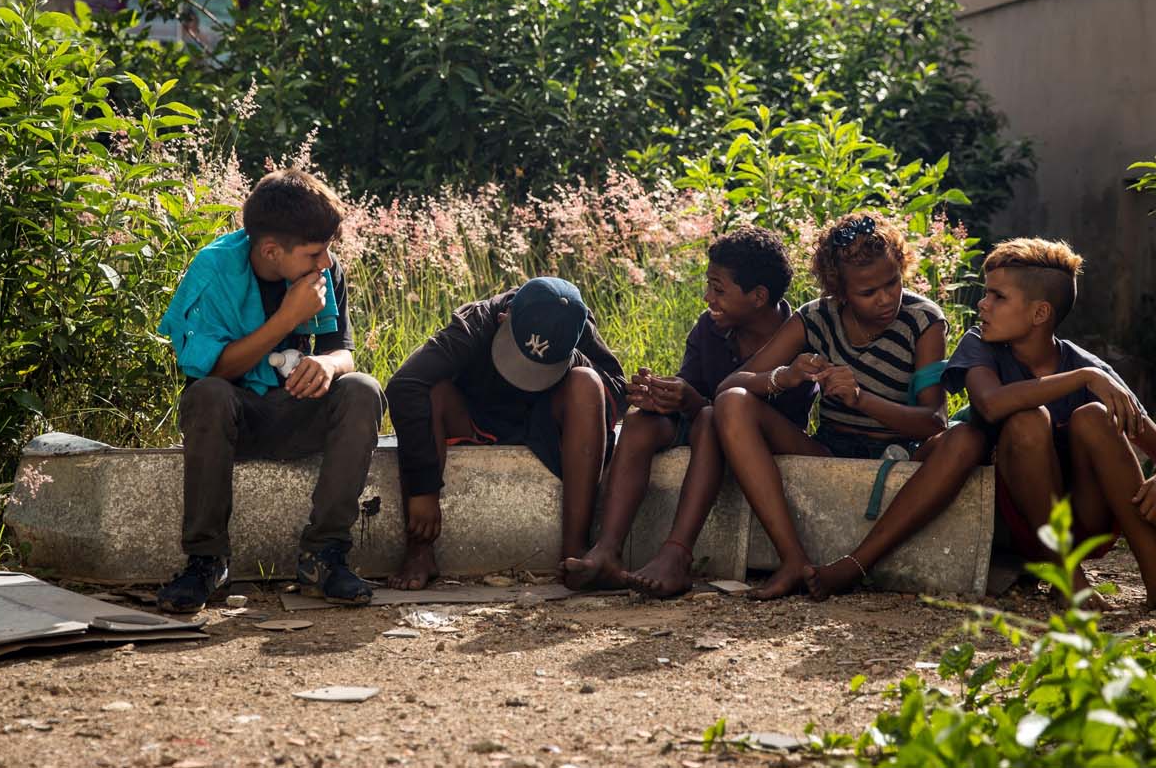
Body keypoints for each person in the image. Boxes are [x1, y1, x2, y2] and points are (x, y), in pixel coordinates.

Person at [154, 168, 383, 612]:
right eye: (315, 254)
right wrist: (285, 319)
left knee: (361, 389)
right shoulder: (214, 269)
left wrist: (326, 364)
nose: (325, 263)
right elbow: (211, 371)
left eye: (328, 252)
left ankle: (324, 555)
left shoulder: (323, 269)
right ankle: (206, 561)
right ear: (271, 250)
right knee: (207, 395)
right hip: (233, 420)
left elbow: (344, 351)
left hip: (294, 409)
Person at [714, 212, 961, 599]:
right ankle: (793, 559)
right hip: (830, 448)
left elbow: (935, 422)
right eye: (867, 292)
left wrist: (862, 398)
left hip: (903, 453)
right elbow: (730, 385)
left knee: (964, 438)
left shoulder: (924, 321)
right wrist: (787, 376)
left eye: (892, 282)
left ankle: (856, 564)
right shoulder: (816, 317)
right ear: (839, 292)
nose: (885, 298)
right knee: (732, 403)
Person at [562, 227, 817, 596]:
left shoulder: (795, 338)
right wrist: (663, 396)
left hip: (758, 440)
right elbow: (692, 390)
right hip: (705, 422)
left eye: (718, 289)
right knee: (639, 422)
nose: (707, 297)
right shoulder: (709, 328)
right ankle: (607, 550)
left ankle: (677, 555)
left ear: (758, 297)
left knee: (713, 417)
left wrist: (694, 402)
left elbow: (737, 413)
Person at [947, 237, 1156, 619]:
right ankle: (1068, 577)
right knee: (1028, 419)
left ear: (1039, 313)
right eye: (985, 293)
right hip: (1016, 522)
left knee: (1094, 416)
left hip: (1085, 518)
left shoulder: (1086, 367)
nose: (982, 304)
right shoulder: (981, 347)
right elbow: (991, 404)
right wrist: (1083, 378)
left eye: (998, 297)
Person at [384, 277, 627, 591]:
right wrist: (423, 489)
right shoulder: (475, 323)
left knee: (587, 382)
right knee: (432, 391)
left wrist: (575, 360)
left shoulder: (573, 325)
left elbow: (618, 394)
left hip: (543, 424)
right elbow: (405, 385)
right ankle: (419, 551)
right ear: (505, 318)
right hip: (476, 417)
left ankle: (574, 551)